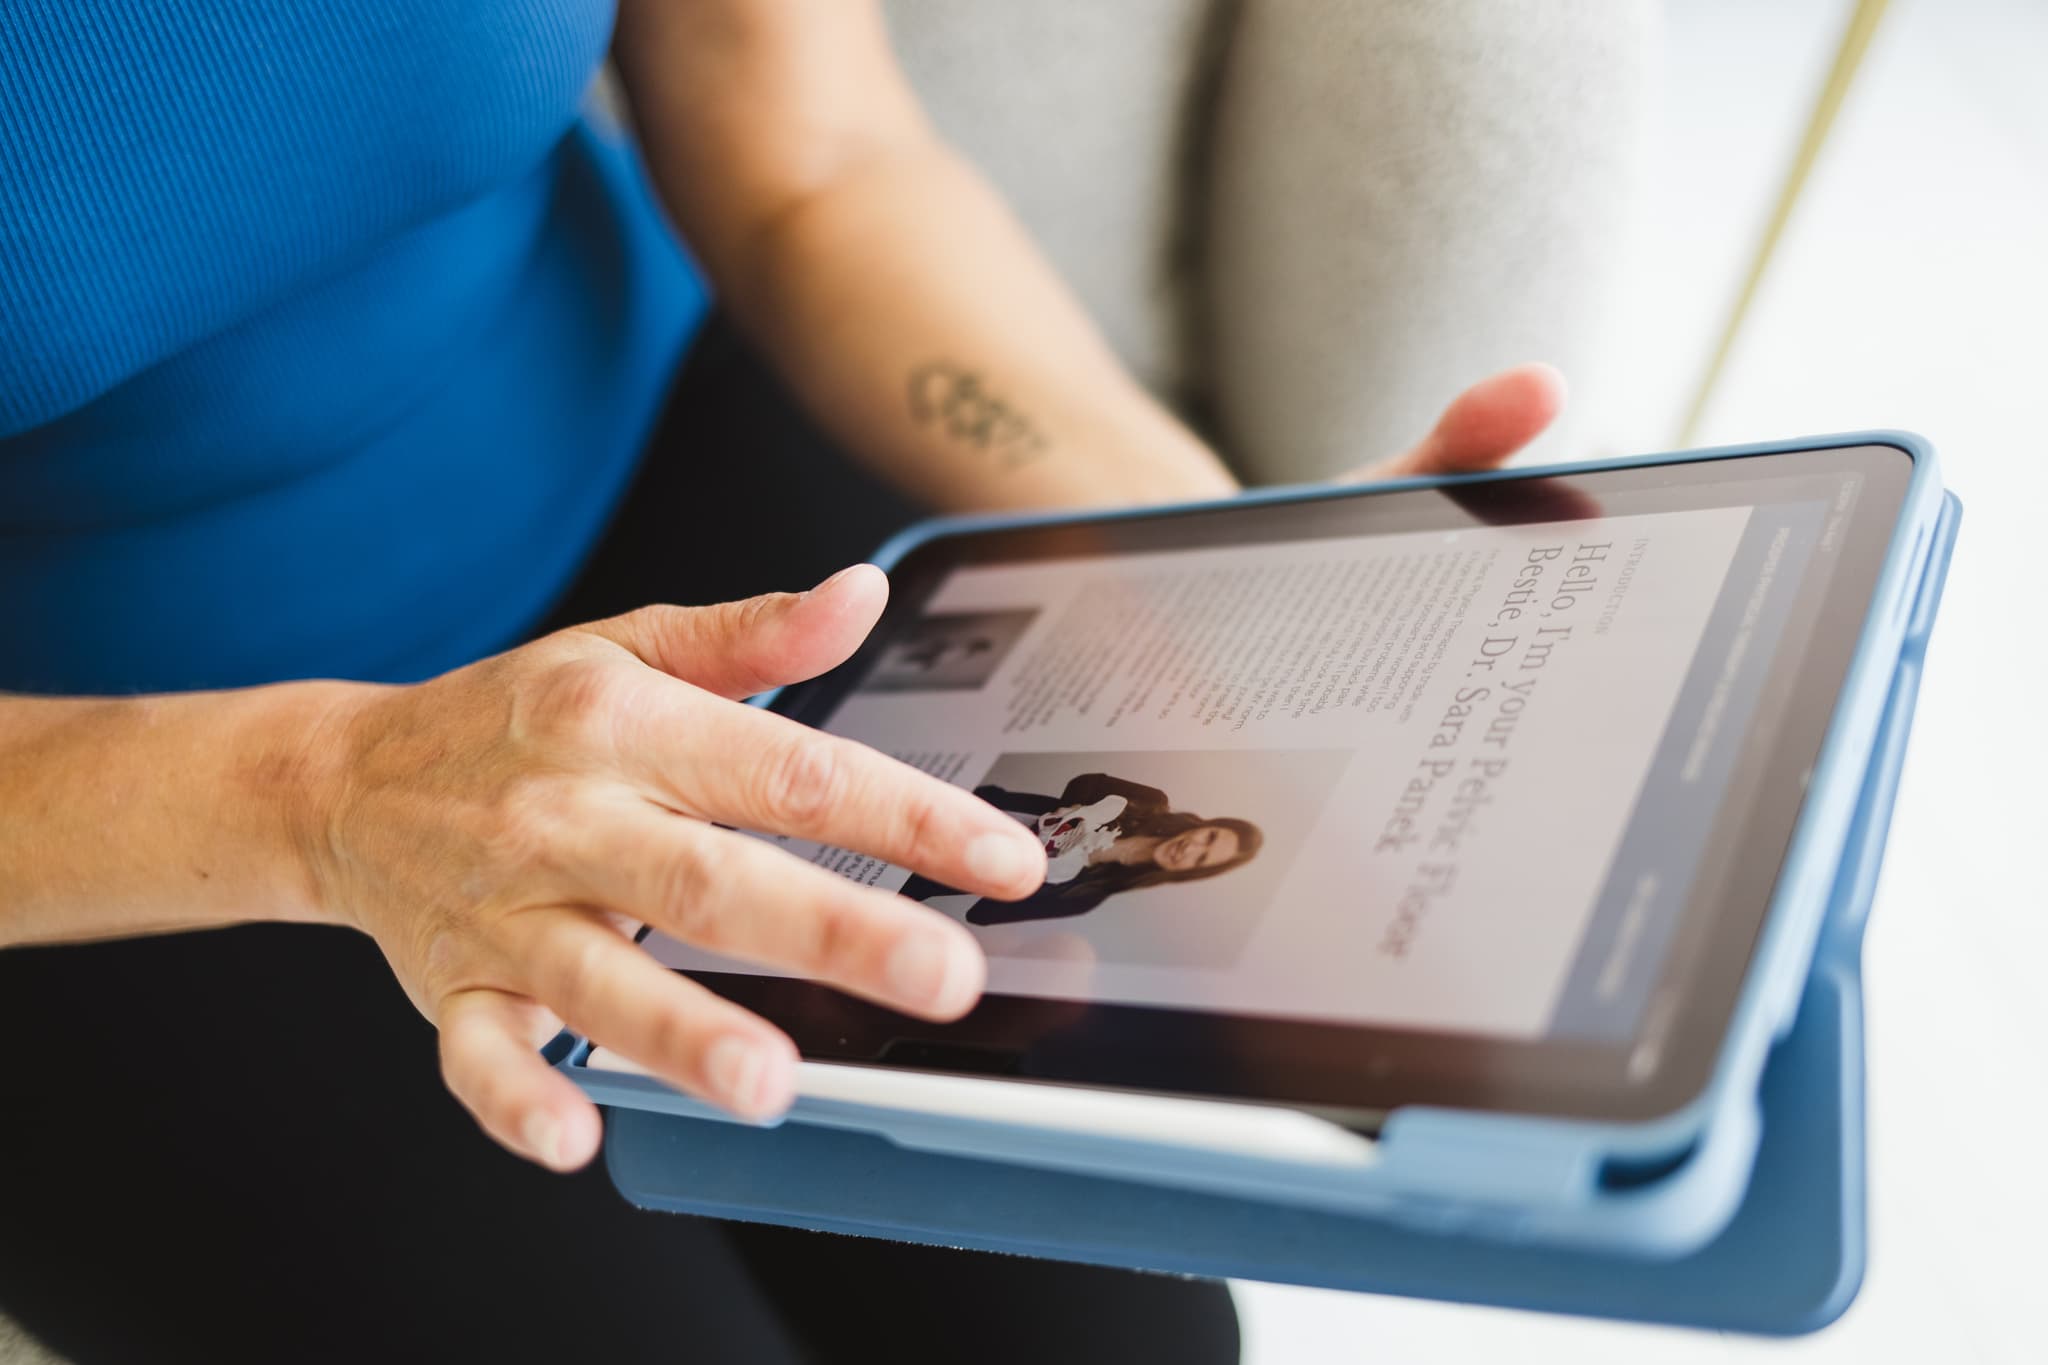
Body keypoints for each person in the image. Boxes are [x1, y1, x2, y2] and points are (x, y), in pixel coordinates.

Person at [0, 3, 1566, 1360]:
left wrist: (1181, 544)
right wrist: (325, 797)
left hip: (682, 510)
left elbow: (814, 151)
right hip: (113, 795)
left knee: (1117, 1327)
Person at [901, 774, 1262, 925]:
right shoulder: (1151, 802)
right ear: (1206, 825)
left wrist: (1047, 872)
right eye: (1210, 837)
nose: (1192, 848)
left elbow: (982, 915)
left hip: (925, 871)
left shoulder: (1086, 895)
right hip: (963, 802)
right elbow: (1086, 782)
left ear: (1192, 872)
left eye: (1201, 860)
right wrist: (1075, 816)